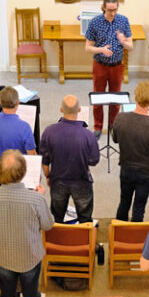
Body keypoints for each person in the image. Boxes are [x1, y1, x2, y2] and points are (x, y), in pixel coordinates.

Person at [0, 151, 54, 297]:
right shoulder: (36, 199)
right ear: (23, 173)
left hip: (2, 255)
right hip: (30, 256)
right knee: (31, 294)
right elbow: (48, 225)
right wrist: (42, 197)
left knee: (6, 293)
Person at [39, 95, 100, 223]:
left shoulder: (49, 132)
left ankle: (59, 240)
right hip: (82, 181)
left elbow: (45, 160)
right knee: (85, 217)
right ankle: (85, 240)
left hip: (57, 180)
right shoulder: (88, 135)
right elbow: (94, 160)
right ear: (79, 110)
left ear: (61, 110)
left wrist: (48, 176)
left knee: (57, 216)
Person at [112, 80, 149, 222]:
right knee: (139, 207)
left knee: (124, 202)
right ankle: (134, 239)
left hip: (126, 168)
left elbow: (115, 139)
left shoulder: (121, 118)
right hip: (147, 173)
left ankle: (119, 233)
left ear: (135, 97)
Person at [85, 0, 133, 137]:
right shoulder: (95, 22)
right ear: (104, 7)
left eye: (115, 9)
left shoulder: (123, 21)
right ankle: (98, 127)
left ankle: (113, 125)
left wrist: (123, 41)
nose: (112, 13)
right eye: (110, 10)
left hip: (117, 66)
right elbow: (87, 48)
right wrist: (101, 50)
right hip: (100, 65)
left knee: (116, 98)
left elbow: (130, 46)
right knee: (98, 97)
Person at [0, 86, 37, 160]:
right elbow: (32, 155)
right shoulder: (25, 127)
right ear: (18, 102)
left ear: (0, 101)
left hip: (0, 166)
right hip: (19, 168)